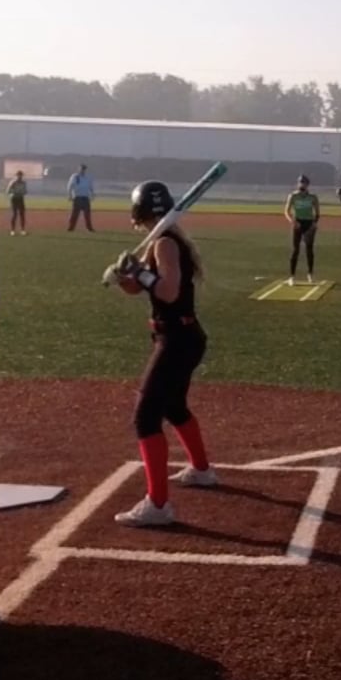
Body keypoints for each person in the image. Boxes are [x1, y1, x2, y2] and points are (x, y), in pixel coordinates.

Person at [107, 181, 217, 527]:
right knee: (174, 407)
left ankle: (157, 505)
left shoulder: (164, 243)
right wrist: (124, 275)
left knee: (145, 417)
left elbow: (167, 292)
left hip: (178, 339)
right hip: (179, 337)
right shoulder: (161, 240)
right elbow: (138, 287)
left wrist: (139, 272)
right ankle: (201, 471)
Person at [284, 176, 320, 286]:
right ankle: (292, 276)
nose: (302, 184)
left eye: (304, 183)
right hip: (298, 223)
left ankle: (310, 274)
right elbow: (286, 211)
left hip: (309, 223)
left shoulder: (313, 197)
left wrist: (314, 223)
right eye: (300, 182)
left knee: (309, 249)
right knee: (295, 250)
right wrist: (292, 221)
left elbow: (317, 212)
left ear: (307, 184)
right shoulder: (293, 196)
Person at [67, 164, 95, 232]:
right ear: (79, 169)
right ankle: (71, 228)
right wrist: (70, 195)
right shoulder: (75, 176)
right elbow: (70, 186)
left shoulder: (88, 177)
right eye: (82, 169)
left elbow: (91, 187)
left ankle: (89, 228)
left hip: (85, 197)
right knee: (75, 214)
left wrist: (92, 194)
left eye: (84, 169)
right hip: (77, 197)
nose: (83, 170)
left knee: (87, 214)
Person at [6, 170, 29, 236]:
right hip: (14, 199)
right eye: (18, 175)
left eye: (21, 175)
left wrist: (23, 192)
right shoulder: (13, 182)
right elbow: (8, 191)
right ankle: (12, 230)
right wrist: (13, 193)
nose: (20, 177)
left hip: (20, 198)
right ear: (16, 176)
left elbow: (25, 191)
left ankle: (22, 230)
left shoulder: (23, 183)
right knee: (14, 214)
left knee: (22, 214)